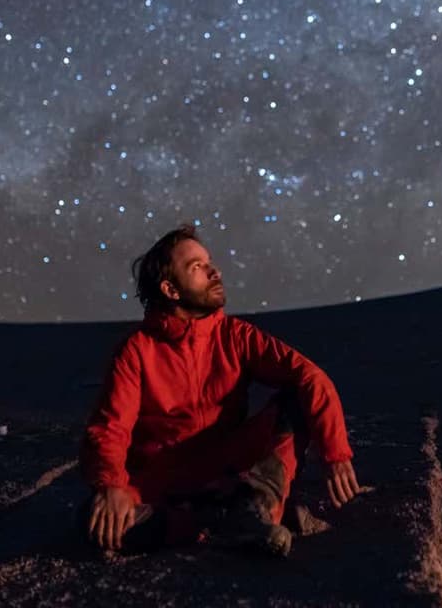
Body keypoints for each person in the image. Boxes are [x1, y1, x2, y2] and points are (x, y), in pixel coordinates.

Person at [80, 224, 360, 557]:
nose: (215, 271)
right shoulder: (137, 350)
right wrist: (111, 486)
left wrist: (336, 454)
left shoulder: (236, 336)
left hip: (229, 466)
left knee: (296, 399)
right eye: (197, 267)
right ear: (171, 289)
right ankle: (230, 521)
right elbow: (110, 427)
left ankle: (251, 508)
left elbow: (310, 377)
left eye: (209, 261)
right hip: (165, 481)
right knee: (93, 523)